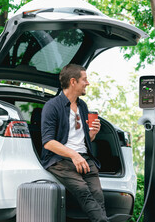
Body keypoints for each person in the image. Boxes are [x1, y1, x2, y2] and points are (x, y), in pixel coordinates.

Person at [41, 64, 108, 222]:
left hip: (85, 158)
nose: (88, 83)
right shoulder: (52, 106)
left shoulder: (82, 106)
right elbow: (48, 142)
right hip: (61, 160)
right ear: (73, 81)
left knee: (98, 198)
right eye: (84, 79)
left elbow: (82, 140)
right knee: (84, 192)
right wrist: (74, 155)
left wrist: (92, 134)